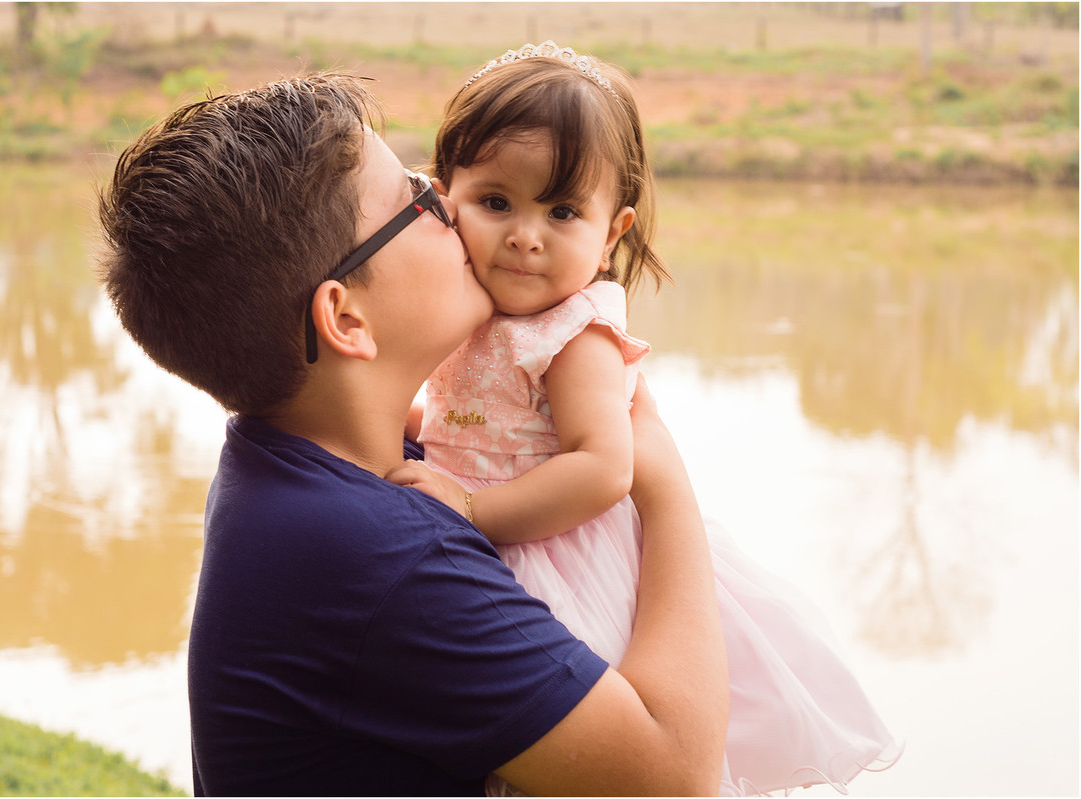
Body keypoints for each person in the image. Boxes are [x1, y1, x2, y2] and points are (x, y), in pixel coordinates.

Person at [95, 72, 729, 796]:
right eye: (416, 201)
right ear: (347, 319)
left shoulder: (293, 460)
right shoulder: (383, 556)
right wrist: (662, 478)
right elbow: (676, 776)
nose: (449, 208)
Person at [388, 42, 902, 796]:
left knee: (563, 748)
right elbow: (461, 408)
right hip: (489, 522)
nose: (526, 235)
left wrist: (472, 508)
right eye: (497, 202)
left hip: (557, 546)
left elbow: (604, 466)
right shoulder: (470, 304)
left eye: (562, 212)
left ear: (613, 230)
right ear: (445, 198)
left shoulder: (574, 333)